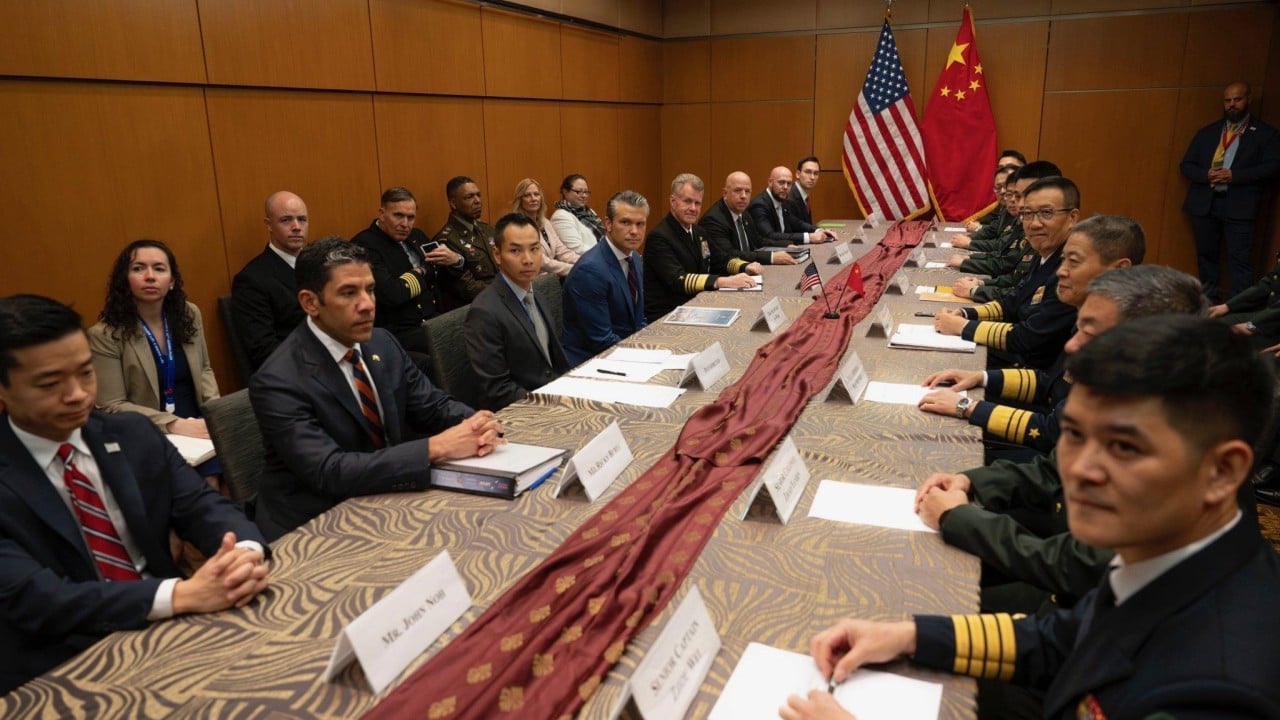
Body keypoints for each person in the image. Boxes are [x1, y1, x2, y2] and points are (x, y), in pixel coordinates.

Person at [782, 315, 1280, 720]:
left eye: (1125, 448)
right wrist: (909, 635)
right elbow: (1062, 639)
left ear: (1222, 471)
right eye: (1075, 435)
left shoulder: (1217, 689)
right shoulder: (1177, 557)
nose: (1079, 470)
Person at [0, 294, 268, 695]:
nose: (77, 394)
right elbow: (40, 599)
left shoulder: (131, 433)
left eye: (86, 373)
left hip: (174, 628)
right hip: (59, 662)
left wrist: (242, 553)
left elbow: (202, 506)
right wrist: (180, 594)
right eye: (50, 383)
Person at [917, 266, 1206, 618]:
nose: (1072, 344)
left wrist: (958, 519)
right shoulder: (1122, 398)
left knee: (925, 589)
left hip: (1090, 609)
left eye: (1090, 332)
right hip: (1064, 576)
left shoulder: (1174, 442)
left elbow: (1075, 566)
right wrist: (970, 481)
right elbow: (1053, 470)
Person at [249, 238, 503, 541]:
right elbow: (329, 471)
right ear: (310, 303)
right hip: (314, 523)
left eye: (369, 289)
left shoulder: (382, 342)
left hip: (384, 494)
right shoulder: (278, 380)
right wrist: (435, 447)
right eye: (349, 293)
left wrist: (476, 424)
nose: (367, 304)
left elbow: (432, 406)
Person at [919, 215, 1145, 455]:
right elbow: (1050, 381)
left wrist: (967, 407)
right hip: (1045, 425)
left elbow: (1053, 432)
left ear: (1119, 269)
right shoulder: (1093, 314)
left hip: (1055, 454)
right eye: (1063, 260)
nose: (1061, 271)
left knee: (934, 443)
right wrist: (980, 377)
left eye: (1073, 262)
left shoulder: (1123, 339)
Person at [86, 240, 222, 483]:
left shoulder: (188, 314)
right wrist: (174, 424)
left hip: (198, 420)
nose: (150, 276)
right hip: (148, 428)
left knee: (241, 469)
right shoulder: (105, 334)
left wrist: (216, 414)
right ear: (124, 279)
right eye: (138, 268)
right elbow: (111, 405)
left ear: (172, 281)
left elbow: (204, 369)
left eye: (159, 268)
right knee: (206, 483)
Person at [934, 176, 1080, 370]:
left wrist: (962, 326)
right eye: (1027, 214)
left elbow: (1028, 337)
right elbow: (1013, 302)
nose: (1034, 223)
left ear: (1072, 218)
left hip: (1028, 367)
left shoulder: (1069, 271)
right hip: (1017, 354)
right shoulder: (1046, 252)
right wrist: (965, 313)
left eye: (1046, 213)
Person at [1181, 81, 1280, 302]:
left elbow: (1273, 167)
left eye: (1237, 99)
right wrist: (1206, 174)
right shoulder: (1208, 132)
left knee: (1239, 260)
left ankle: (1237, 307)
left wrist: (1234, 176)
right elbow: (1186, 165)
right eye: (1227, 100)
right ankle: (1209, 302)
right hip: (1205, 204)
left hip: (1239, 206)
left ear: (1248, 99)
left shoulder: (1266, 134)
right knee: (1206, 256)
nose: (1232, 104)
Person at [463, 214, 569, 411]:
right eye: (515, 250)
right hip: (523, 411)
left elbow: (553, 362)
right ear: (497, 254)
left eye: (534, 249)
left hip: (554, 395)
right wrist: (553, 405)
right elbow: (497, 390)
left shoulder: (536, 294)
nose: (528, 259)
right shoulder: (484, 312)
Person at [352, 186, 461, 368]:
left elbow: (439, 273)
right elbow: (392, 293)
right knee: (455, 345)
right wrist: (424, 271)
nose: (405, 224)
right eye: (398, 216)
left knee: (476, 331)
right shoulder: (365, 244)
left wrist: (456, 260)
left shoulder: (417, 236)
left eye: (410, 217)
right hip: (399, 330)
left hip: (433, 319)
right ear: (382, 214)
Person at [643, 173, 756, 322]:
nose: (693, 208)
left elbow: (719, 259)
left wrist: (746, 267)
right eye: (687, 201)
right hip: (668, 315)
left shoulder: (698, 232)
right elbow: (678, 280)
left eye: (697, 203)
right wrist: (722, 281)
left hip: (697, 306)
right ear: (673, 201)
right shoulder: (659, 237)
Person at [562, 190, 649, 365]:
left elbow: (639, 320)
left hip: (624, 350)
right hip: (591, 361)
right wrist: (645, 357)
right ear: (608, 224)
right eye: (625, 222)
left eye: (640, 224)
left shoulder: (634, 258)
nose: (634, 231)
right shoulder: (590, 271)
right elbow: (600, 340)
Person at [231, 190, 310, 372]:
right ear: (269, 225)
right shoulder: (251, 280)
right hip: (296, 371)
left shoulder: (322, 265)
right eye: (286, 220)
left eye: (302, 219)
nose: (296, 227)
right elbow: (263, 349)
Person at [701, 171, 796, 273]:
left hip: (748, 271)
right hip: (726, 276)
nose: (743, 196)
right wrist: (771, 257)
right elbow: (730, 254)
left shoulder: (744, 212)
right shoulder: (713, 220)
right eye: (737, 190)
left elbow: (757, 240)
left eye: (747, 191)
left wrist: (785, 245)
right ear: (725, 193)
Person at [433, 176, 498, 308]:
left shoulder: (487, 229)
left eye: (478, 195)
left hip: (500, 300)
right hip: (475, 309)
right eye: (469, 197)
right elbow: (468, 289)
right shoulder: (445, 242)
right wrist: (507, 288)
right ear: (453, 203)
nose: (477, 201)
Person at [748, 166, 837, 245]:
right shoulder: (759, 205)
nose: (785, 187)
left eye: (789, 183)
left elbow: (796, 223)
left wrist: (818, 230)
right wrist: (808, 237)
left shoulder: (782, 200)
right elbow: (769, 235)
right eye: (781, 182)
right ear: (770, 182)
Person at [510, 178, 578, 278]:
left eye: (536, 194)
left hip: (552, 277)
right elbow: (542, 262)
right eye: (527, 195)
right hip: (533, 281)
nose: (533, 198)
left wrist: (585, 261)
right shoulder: (518, 226)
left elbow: (562, 252)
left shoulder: (545, 222)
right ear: (520, 200)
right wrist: (576, 269)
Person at [550, 173, 605, 254]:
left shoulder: (589, 211)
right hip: (587, 259)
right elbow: (577, 249)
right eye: (579, 192)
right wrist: (605, 253)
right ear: (565, 192)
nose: (584, 195)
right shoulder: (560, 216)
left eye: (586, 192)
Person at [788, 155, 821, 224]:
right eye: (808, 172)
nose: (812, 177)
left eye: (816, 173)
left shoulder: (804, 196)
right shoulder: (789, 197)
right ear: (798, 174)